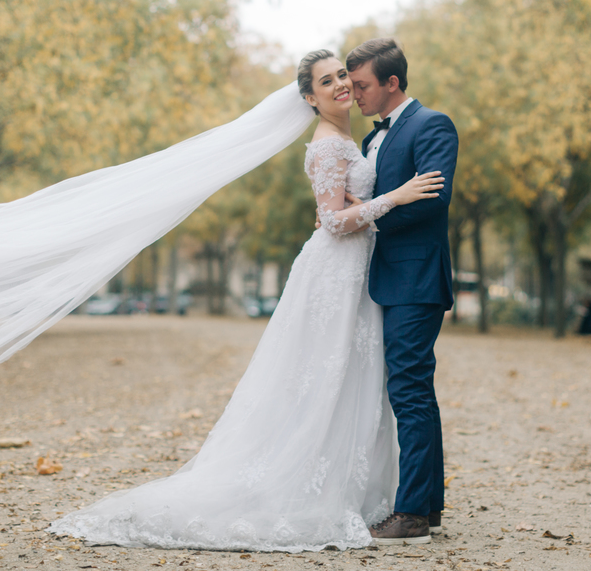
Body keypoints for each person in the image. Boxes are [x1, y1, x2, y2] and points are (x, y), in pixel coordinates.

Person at [48, 50, 446, 551]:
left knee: (354, 377)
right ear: (309, 98)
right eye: (327, 81)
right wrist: (393, 198)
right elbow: (332, 221)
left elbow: (343, 208)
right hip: (336, 272)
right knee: (323, 375)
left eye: (343, 75)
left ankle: (383, 494)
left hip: (361, 271)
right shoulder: (328, 144)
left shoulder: (357, 139)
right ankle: (316, 486)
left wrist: (363, 206)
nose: (341, 85)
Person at [345, 38, 459, 545]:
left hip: (416, 277)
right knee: (414, 389)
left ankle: (410, 514)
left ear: (392, 82)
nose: (355, 94)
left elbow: (433, 198)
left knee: (409, 389)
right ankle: (427, 508)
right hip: (389, 276)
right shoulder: (372, 138)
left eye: (362, 85)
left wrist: (371, 219)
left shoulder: (432, 124)